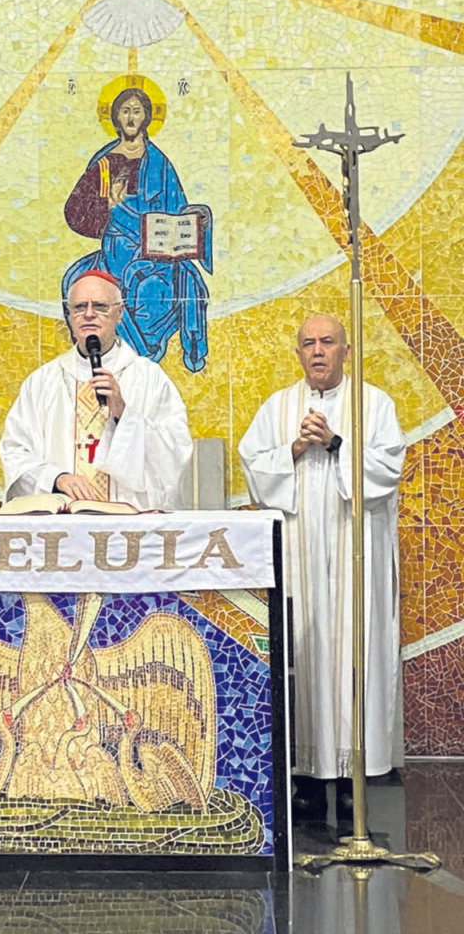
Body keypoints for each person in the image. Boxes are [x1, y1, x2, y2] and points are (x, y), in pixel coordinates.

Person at [237, 315, 405, 822]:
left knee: (356, 655)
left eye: (327, 342)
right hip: (303, 554)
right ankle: (308, 779)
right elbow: (253, 465)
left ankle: (356, 778)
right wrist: (294, 447)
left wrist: (334, 442)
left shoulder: (373, 404)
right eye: (308, 343)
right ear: (298, 353)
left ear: (345, 351)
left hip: (356, 552)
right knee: (306, 659)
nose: (317, 351)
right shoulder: (279, 407)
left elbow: (388, 470)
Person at [0, 271, 193, 509]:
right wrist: (56, 478)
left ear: (119, 313)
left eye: (100, 306)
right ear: (69, 316)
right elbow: (15, 451)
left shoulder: (149, 378)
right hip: (62, 523)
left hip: (129, 521)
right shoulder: (42, 382)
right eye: (80, 307)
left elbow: (175, 451)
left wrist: (124, 414)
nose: (88, 314)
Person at [63, 86, 212, 372]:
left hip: (156, 252)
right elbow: (76, 213)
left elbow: (178, 209)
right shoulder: (104, 163)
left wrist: (197, 216)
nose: (131, 117)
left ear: (146, 118)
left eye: (137, 111)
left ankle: (172, 355)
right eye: (125, 111)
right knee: (78, 281)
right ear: (116, 118)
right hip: (116, 251)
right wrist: (106, 205)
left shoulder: (159, 162)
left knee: (173, 288)